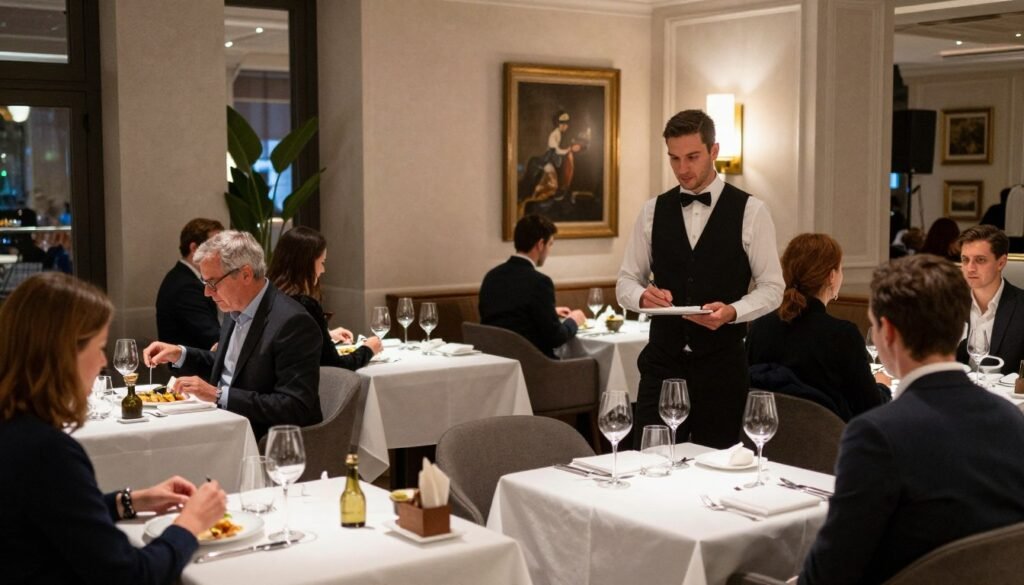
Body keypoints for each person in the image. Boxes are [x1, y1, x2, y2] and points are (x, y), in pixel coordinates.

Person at [799, 254, 1024, 584]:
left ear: (887, 332)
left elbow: (830, 573)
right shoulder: (1012, 419)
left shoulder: (876, 434)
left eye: (873, 325)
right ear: (961, 331)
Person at [0, 272, 227, 584]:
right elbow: (130, 574)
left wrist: (131, 500)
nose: (103, 361)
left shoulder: (15, 427)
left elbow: (57, 513)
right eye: (99, 347)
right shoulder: (46, 450)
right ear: (64, 354)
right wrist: (190, 522)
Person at [617, 109, 783, 448]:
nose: (682, 169)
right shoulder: (652, 211)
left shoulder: (752, 212)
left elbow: (773, 288)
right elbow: (625, 282)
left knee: (715, 472)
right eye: (674, 158)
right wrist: (641, 298)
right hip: (662, 365)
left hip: (722, 368)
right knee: (647, 465)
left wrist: (733, 312)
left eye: (692, 157)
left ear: (714, 151)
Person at [143, 230, 322, 439]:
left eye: (213, 283)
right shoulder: (235, 307)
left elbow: (294, 407)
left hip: (262, 438)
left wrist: (217, 395)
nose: (207, 293)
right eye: (204, 283)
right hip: (222, 422)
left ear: (246, 274)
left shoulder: (292, 323)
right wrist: (179, 353)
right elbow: (233, 366)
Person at [746, 234, 889, 421]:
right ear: (832, 276)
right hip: (828, 446)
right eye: (840, 269)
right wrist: (883, 387)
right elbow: (871, 410)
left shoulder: (760, 326)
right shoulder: (842, 336)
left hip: (768, 440)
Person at [268, 226, 382, 370]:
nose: (323, 270)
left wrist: (326, 335)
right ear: (306, 263)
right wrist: (368, 349)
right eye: (322, 263)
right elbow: (334, 364)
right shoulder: (304, 305)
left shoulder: (268, 296)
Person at [479, 214, 586, 359]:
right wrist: (573, 320)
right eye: (550, 244)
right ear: (540, 244)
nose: (549, 251)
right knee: (594, 364)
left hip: (497, 361)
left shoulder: (492, 277)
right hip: (535, 366)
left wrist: (549, 312)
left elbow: (507, 317)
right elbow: (555, 338)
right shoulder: (540, 282)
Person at [955, 225, 1024, 375]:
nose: (970, 268)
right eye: (965, 260)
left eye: (980, 260)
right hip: (956, 393)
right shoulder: (949, 304)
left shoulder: (1021, 306)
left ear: (1001, 263)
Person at [155, 218, 224, 349]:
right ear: (194, 248)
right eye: (216, 247)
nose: (222, 254)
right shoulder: (186, 287)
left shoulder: (184, 277)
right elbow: (213, 337)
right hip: (190, 367)